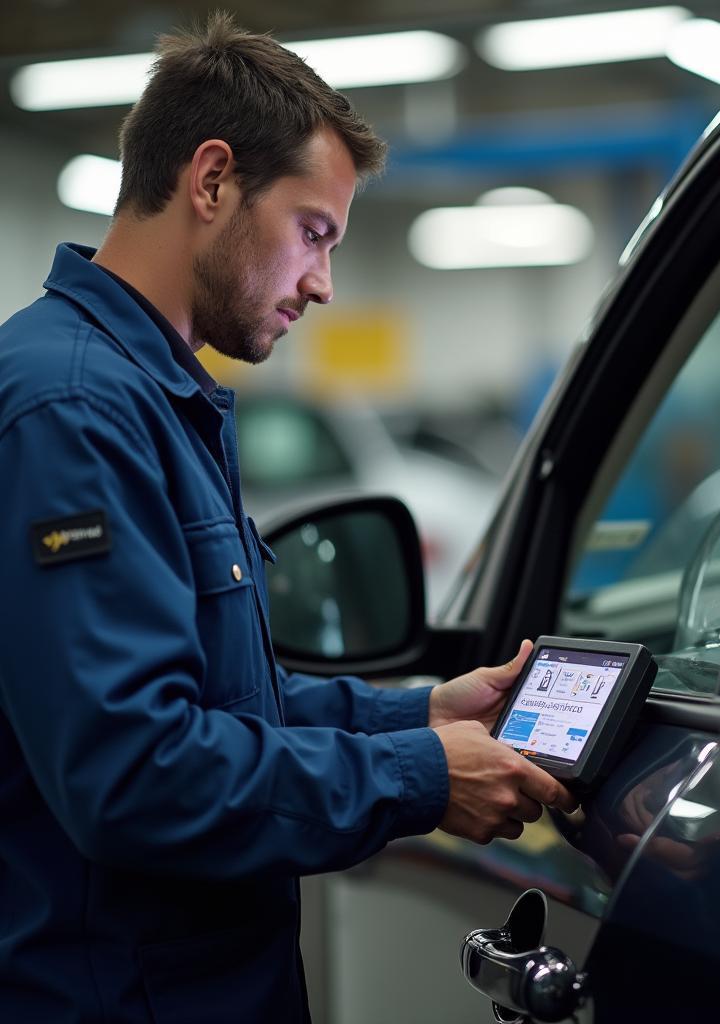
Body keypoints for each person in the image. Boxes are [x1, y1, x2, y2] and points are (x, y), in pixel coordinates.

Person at [0, 14, 575, 1022]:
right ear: (211, 179)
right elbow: (134, 772)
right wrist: (416, 778)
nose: (321, 282)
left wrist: (419, 714)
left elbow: (217, 712)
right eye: (312, 232)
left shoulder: (153, 397)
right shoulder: (75, 409)